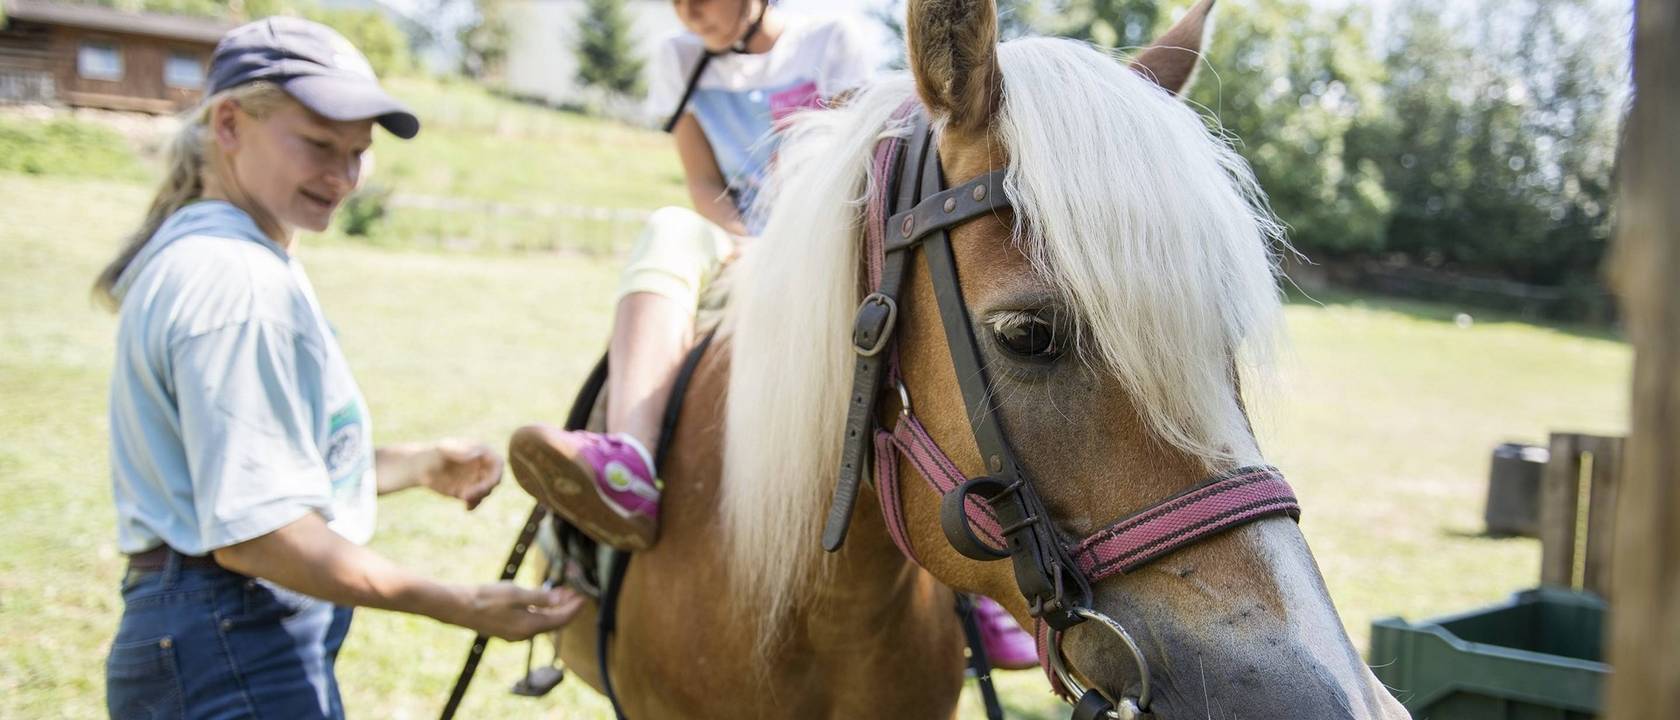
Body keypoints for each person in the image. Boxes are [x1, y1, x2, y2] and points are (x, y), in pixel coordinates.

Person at [508, 0, 1038, 669]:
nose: (689, 10)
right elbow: (702, 179)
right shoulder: (678, 59)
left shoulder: (831, 39)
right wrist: (750, 249)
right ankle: (629, 463)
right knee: (670, 228)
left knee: (934, 355)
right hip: (741, 240)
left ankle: (976, 578)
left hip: (835, 242)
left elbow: (862, 163)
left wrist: (800, 253)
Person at [97, 18, 582, 719]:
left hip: (209, 632)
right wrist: (463, 603)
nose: (344, 176)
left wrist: (411, 466)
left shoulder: (209, 252)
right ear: (228, 124)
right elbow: (260, 535)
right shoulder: (238, 283)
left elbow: (243, 472)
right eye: (320, 145)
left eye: (358, 152)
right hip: (235, 637)